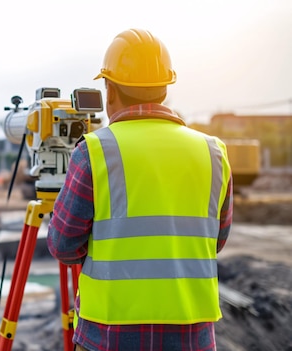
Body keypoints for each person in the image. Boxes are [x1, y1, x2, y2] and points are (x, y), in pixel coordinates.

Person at [47, 28, 234, 351]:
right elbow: (214, 240)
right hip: (192, 338)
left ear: (110, 89)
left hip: (109, 337)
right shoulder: (213, 152)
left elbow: (63, 245)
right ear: (164, 89)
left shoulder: (94, 151)